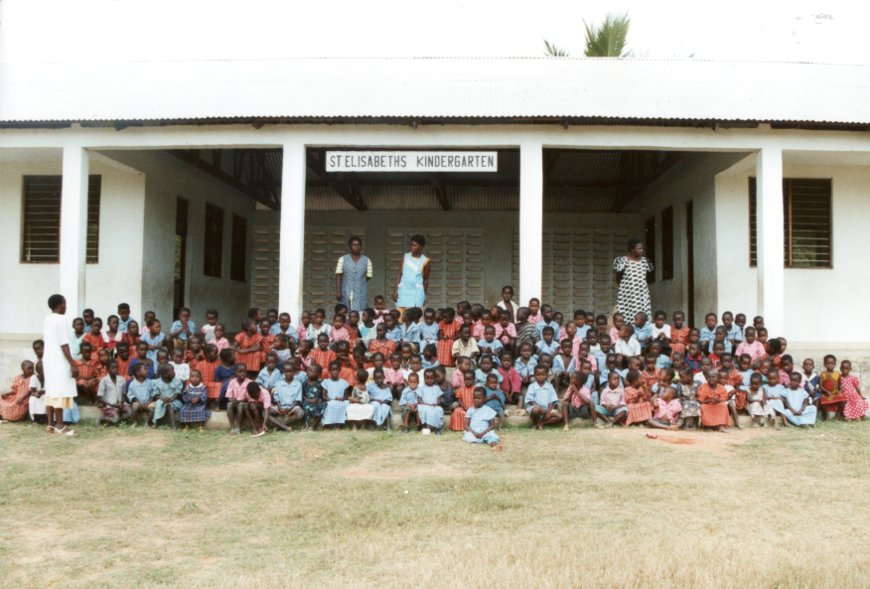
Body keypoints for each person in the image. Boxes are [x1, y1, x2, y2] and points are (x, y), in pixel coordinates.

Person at [41, 295, 79, 436]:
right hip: (59, 360)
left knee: (51, 391)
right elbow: (64, 343)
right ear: (58, 306)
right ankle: (60, 426)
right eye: (64, 304)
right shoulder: (61, 319)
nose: (66, 307)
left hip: (49, 360)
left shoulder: (48, 319)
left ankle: (50, 425)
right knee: (59, 392)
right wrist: (72, 363)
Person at [613, 237, 654, 323]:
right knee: (628, 315)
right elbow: (618, 276)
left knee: (642, 314)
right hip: (628, 294)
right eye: (639, 249)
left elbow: (646, 277)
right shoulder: (623, 260)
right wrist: (625, 288)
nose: (642, 251)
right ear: (632, 249)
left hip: (641, 294)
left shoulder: (645, 261)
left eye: (642, 249)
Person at [393, 234, 430, 313]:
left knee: (414, 318)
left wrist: (423, 297)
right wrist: (395, 291)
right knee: (401, 318)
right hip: (403, 292)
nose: (412, 247)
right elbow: (399, 274)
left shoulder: (425, 261)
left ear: (421, 246)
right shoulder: (405, 256)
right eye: (411, 245)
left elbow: (426, 280)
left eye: (415, 245)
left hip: (416, 295)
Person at [335, 236, 373, 312]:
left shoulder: (366, 260)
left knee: (360, 314)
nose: (357, 247)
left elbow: (368, 277)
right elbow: (338, 275)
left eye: (358, 245)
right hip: (345, 291)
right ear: (350, 246)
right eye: (354, 245)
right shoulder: (343, 259)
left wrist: (358, 282)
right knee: (344, 312)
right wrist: (338, 291)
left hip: (360, 292)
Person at [95, 360, 131, 427]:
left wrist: (121, 402)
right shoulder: (104, 381)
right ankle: (101, 418)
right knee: (116, 418)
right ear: (107, 369)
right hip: (109, 405)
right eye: (113, 368)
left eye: (116, 367)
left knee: (130, 412)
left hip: (119, 404)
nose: (115, 369)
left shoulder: (122, 379)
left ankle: (113, 421)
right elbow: (100, 396)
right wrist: (111, 404)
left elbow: (124, 394)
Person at [526, 365, 561, 430]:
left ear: (546, 375)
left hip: (547, 409)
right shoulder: (532, 386)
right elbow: (530, 400)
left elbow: (552, 400)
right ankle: (535, 424)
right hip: (536, 408)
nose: (541, 376)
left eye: (543, 374)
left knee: (559, 416)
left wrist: (548, 412)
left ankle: (542, 423)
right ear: (534, 375)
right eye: (538, 375)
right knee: (535, 410)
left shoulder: (549, 386)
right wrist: (540, 408)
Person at [151, 364, 183, 431]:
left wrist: (172, 399)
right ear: (165, 374)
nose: (174, 372)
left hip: (174, 400)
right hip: (162, 400)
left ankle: (173, 426)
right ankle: (156, 422)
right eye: (172, 371)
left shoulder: (177, 381)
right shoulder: (156, 382)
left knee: (169, 405)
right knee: (158, 403)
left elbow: (177, 392)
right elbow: (156, 395)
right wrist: (162, 399)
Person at [698, 369, 730, 433]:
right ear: (706, 378)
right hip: (707, 404)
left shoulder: (721, 387)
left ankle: (721, 426)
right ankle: (708, 426)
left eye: (713, 377)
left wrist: (718, 400)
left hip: (716, 404)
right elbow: (700, 401)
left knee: (723, 405)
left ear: (717, 378)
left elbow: (724, 398)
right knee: (703, 407)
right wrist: (710, 401)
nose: (711, 379)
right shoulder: (703, 387)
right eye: (709, 377)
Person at [321, 360, 350, 430]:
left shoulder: (344, 382)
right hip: (330, 400)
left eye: (336, 370)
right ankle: (327, 425)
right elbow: (323, 396)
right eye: (332, 370)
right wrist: (332, 399)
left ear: (339, 370)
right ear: (329, 371)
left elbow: (346, 396)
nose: (335, 372)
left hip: (340, 401)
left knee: (346, 403)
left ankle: (340, 424)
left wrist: (342, 399)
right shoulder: (326, 382)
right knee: (332, 404)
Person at [416, 369, 445, 434]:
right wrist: (426, 404)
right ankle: (423, 427)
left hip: (434, 406)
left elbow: (439, 400)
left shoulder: (437, 388)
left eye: (431, 378)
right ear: (424, 378)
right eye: (427, 378)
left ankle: (437, 428)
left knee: (439, 409)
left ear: (435, 378)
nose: (429, 380)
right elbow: (419, 401)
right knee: (421, 408)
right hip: (425, 405)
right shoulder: (421, 388)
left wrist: (436, 404)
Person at [126, 363, 155, 428]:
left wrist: (148, 403)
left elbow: (153, 394)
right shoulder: (132, 384)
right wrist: (139, 403)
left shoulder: (150, 382)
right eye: (145, 369)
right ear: (138, 373)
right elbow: (131, 395)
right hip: (139, 402)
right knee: (134, 407)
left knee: (152, 409)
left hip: (149, 402)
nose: (147, 371)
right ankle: (135, 422)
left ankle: (147, 422)